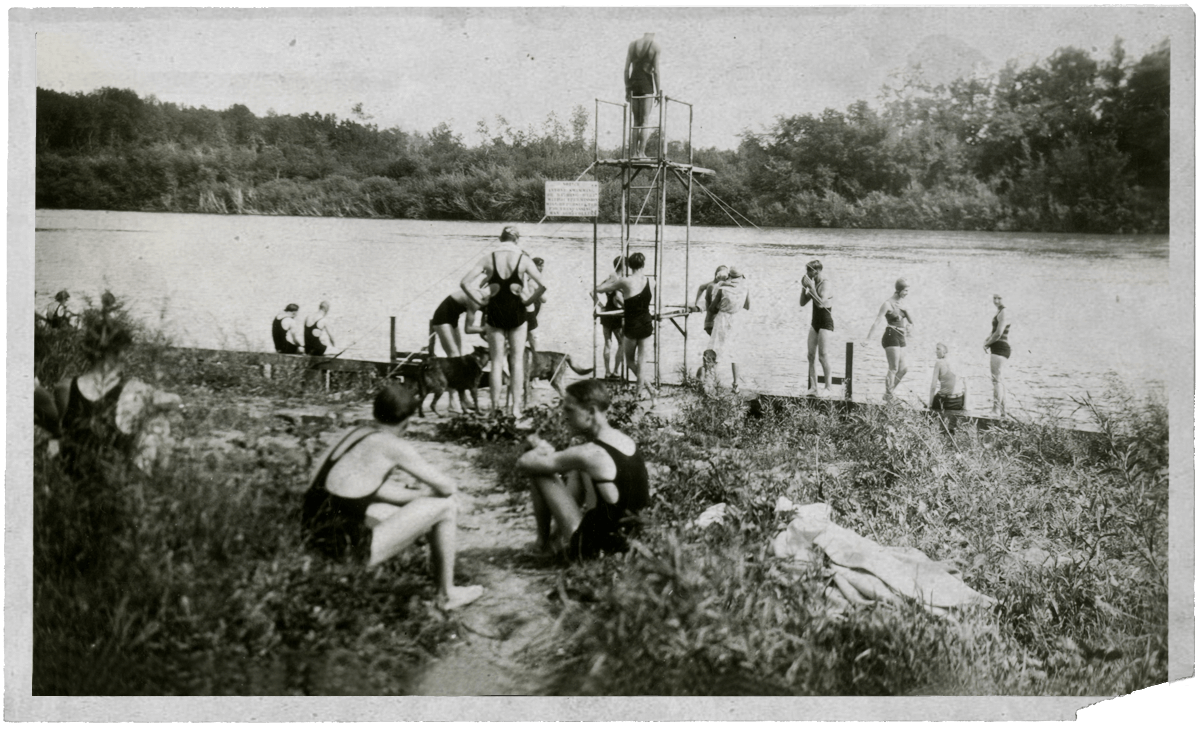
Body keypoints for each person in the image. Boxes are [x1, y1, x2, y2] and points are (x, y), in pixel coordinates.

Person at [301, 384, 484, 611]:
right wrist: (435, 496)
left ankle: (406, 569)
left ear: (375, 412)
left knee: (394, 511)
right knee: (445, 507)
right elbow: (447, 487)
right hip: (344, 552)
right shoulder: (392, 445)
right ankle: (447, 594)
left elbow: (373, 489)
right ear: (407, 421)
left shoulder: (356, 434)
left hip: (310, 538)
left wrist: (420, 496)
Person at [516, 379, 650, 560]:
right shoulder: (624, 441)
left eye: (569, 410)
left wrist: (538, 450)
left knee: (540, 470)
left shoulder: (589, 454)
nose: (564, 416)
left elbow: (524, 463)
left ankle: (544, 545)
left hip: (596, 551)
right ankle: (557, 541)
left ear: (590, 412)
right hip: (628, 543)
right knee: (578, 471)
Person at [52, 291, 182, 477]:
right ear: (117, 353)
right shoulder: (132, 390)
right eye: (124, 352)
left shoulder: (64, 387)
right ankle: (152, 483)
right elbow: (174, 401)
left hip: (72, 483)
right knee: (157, 420)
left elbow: (58, 437)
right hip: (109, 485)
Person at [460, 225, 546, 418]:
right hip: (517, 313)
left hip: (495, 313)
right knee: (516, 362)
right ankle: (515, 409)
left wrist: (480, 302)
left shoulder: (488, 258)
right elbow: (542, 286)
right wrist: (527, 301)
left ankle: (493, 408)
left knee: (497, 363)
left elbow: (464, 283)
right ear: (516, 241)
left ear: (501, 239)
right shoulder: (523, 259)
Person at [595, 251, 656, 402]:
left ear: (629, 265)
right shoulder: (652, 281)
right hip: (647, 323)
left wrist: (612, 279)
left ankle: (643, 392)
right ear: (644, 264)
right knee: (641, 362)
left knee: (630, 362)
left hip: (632, 324)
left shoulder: (625, 281)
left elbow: (599, 289)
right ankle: (645, 392)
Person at [862, 278, 914, 400]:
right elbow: (877, 321)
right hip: (891, 335)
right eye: (905, 291)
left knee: (903, 369)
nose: (907, 293)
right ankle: (889, 394)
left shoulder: (903, 304)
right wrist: (868, 339)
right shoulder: (887, 304)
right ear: (899, 290)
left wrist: (907, 314)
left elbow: (911, 322)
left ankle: (888, 394)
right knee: (893, 368)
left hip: (901, 337)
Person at [706, 266, 751, 393]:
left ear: (729, 277)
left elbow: (712, 308)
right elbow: (747, 306)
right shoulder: (744, 288)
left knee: (715, 349)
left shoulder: (722, 289)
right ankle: (736, 385)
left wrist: (720, 305)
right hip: (736, 320)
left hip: (722, 320)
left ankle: (712, 384)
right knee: (734, 352)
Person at [624, 33, 662, 159]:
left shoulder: (633, 44)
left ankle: (633, 153)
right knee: (645, 121)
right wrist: (658, 91)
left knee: (635, 121)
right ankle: (641, 153)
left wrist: (627, 88)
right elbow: (656, 71)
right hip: (646, 85)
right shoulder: (655, 46)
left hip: (634, 84)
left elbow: (626, 69)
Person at [799, 260, 834, 395]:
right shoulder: (814, 284)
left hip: (826, 322)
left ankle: (828, 388)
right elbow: (802, 303)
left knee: (823, 356)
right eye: (807, 270)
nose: (807, 274)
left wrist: (811, 287)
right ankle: (813, 387)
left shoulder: (825, 284)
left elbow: (820, 303)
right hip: (815, 322)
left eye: (809, 271)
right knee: (811, 355)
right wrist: (804, 288)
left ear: (817, 271)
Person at [593, 256, 627, 379]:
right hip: (617, 314)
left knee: (607, 343)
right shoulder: (619, 280)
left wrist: (601, 305)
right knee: (622, 343)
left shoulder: (609, 279)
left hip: (606, 313)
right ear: (624, 266)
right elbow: (617, 297)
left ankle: (607, 372)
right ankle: (616, 371)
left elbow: (593, 291)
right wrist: (627, 307)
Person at [430, 289, 485, 358]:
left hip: (453, 320)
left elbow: (483, 333)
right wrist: (487, 329)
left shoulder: (489, 303)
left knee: (458, 356)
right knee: (454, 355)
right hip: (441, 319)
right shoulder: (476, 300)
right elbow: (468, 329)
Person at [983, 294, 1011, 417]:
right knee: (1000, 380)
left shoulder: (1004, 312)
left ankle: (996, 410)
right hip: (999, 348)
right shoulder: (1000, 312)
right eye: (994, 298)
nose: (996, 300)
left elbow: (999, 333)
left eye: (999, 298)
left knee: (996, 380)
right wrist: (987, 339)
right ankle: (1004, 411)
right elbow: (994, 331)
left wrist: (987, 344)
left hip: (1000, 348)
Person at [691, 265, 730, 338]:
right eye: (725, 278)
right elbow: (713, 309)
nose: (726, 280)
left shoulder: (713, 284)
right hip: (712, 324)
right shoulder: (713, 287)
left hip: (712, 323)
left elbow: (701, 287)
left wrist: (696, 302)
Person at [929, 342, 968, 411]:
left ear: (945, 351)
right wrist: (965, 406)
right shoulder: (960, 362)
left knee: (935, 398)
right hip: (958, 402)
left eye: (938, 349)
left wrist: (930, 405)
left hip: (944, 402)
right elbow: (966, 387)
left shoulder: (939, 363)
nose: (936, 351)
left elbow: (933, 387)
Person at [524, 257, 548, 354]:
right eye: (539, 265)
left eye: (542, 266)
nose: (541, 268)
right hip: (529, 311)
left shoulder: (525, 277)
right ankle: (535, 354)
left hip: (527, 310)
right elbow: (544, 299)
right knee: (533, 334)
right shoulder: (533, 280)